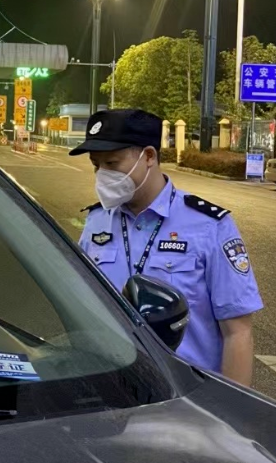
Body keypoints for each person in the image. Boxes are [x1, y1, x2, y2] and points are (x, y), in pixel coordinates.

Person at [70, 109, 263, 386]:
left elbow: (238, 332)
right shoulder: (97, 222)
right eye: (96, 165)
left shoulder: (209, 226)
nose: (102, 175)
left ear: (149, 156)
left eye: (111, 163)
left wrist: (229, 410)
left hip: (186, 396)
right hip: (113, 389)